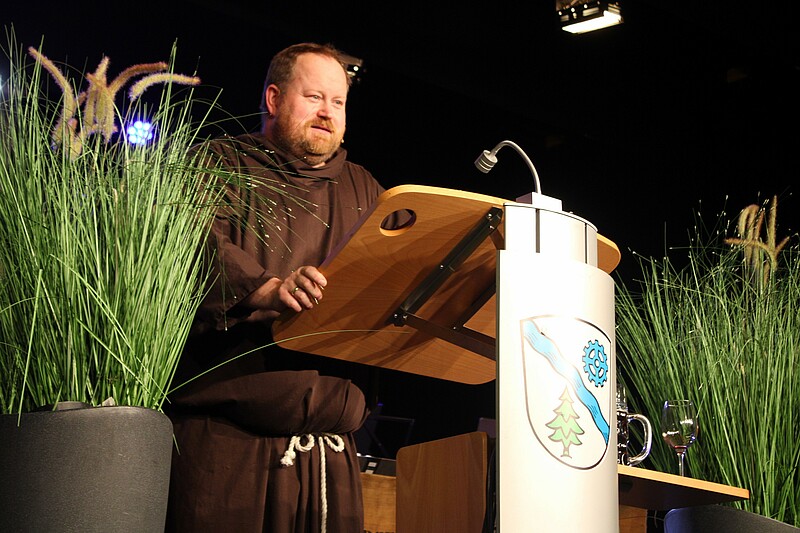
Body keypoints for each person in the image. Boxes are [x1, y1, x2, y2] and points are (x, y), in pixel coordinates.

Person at [165, 42, 388, 533]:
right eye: (314, 97)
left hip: (331, 452)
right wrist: (266, 289)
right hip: (227, 447)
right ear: (273, 98)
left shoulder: (365, 189)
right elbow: (192, 241)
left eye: (338, 102)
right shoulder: (217, 162)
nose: (327, 113)